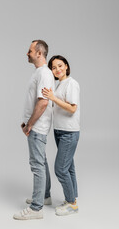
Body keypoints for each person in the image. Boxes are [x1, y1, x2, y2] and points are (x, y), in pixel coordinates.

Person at [13, 40, 54, 220]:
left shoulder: (44, 73)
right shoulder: (39, 73)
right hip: (35, 125)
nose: (27, 53)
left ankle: (36, 209)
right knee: (41, 161)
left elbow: (43, 102)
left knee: (37, 164)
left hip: (37, 127)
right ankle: (44, 197)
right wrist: (26, 122)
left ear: (39, 53)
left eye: (30, 51)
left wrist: (29, 124)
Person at [42, 55, 80, 216]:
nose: (57, 69)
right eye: (53, 67)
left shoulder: (72, 83)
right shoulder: (59, 85)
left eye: (60, 65)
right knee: (69, 167)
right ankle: (73, 198)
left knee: (60, 168)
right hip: (60, 131)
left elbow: (72, 108)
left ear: (66, 66)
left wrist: (52, 98)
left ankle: (72, 204)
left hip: (69, 132)